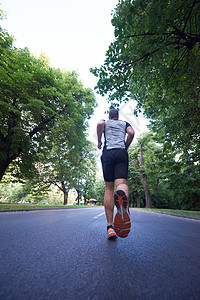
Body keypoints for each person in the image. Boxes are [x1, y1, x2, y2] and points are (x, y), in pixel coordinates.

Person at [97, 108, 135, 239]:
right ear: (118, 116)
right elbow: (131, 133)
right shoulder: (124, 123)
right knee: (121, 183)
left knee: (109, 187)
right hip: (121, 153)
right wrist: (126, 146)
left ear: (109, 116)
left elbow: (99, 125)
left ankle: (110, 227)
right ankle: (123, 203)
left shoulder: (105, 122)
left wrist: (99, 140)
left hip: (108, 153)